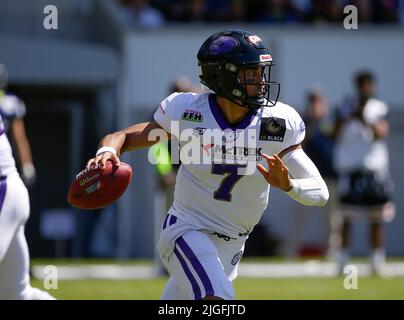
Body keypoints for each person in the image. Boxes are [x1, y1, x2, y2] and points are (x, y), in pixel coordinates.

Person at [86, 29, 329, 300]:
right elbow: (124, 137)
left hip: (233, 244)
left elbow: (320, 192)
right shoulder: (189, 112)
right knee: (217, 299)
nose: (261, 82)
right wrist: (108, 150)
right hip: (186, 230)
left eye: (262, 72)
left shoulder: (277, 122)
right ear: (222, 76)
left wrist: (290, 185)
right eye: (251, 73)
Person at [333, 71, 394, 276]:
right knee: (347, 217)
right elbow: (334, 133)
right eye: (362, 85)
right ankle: (342, 261)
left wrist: (364, 118)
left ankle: (376, 260)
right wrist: (348, 116)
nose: (366, 89)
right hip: (351, 170)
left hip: (374, 170)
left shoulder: (379, 108)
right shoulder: (344, 106)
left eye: (369, 85)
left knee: (376, 217)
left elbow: (381, 133)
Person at [0, 114, 54, 299]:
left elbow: (19, 136)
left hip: (3, 190)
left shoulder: (11, 105)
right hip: (9, 192)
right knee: (17, 294)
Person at [0, 64, 36, 187]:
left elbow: (19, 137)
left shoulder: (9, 105)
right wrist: (27, 165)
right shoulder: (10, 103)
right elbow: (19, 137)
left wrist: (27, 164)